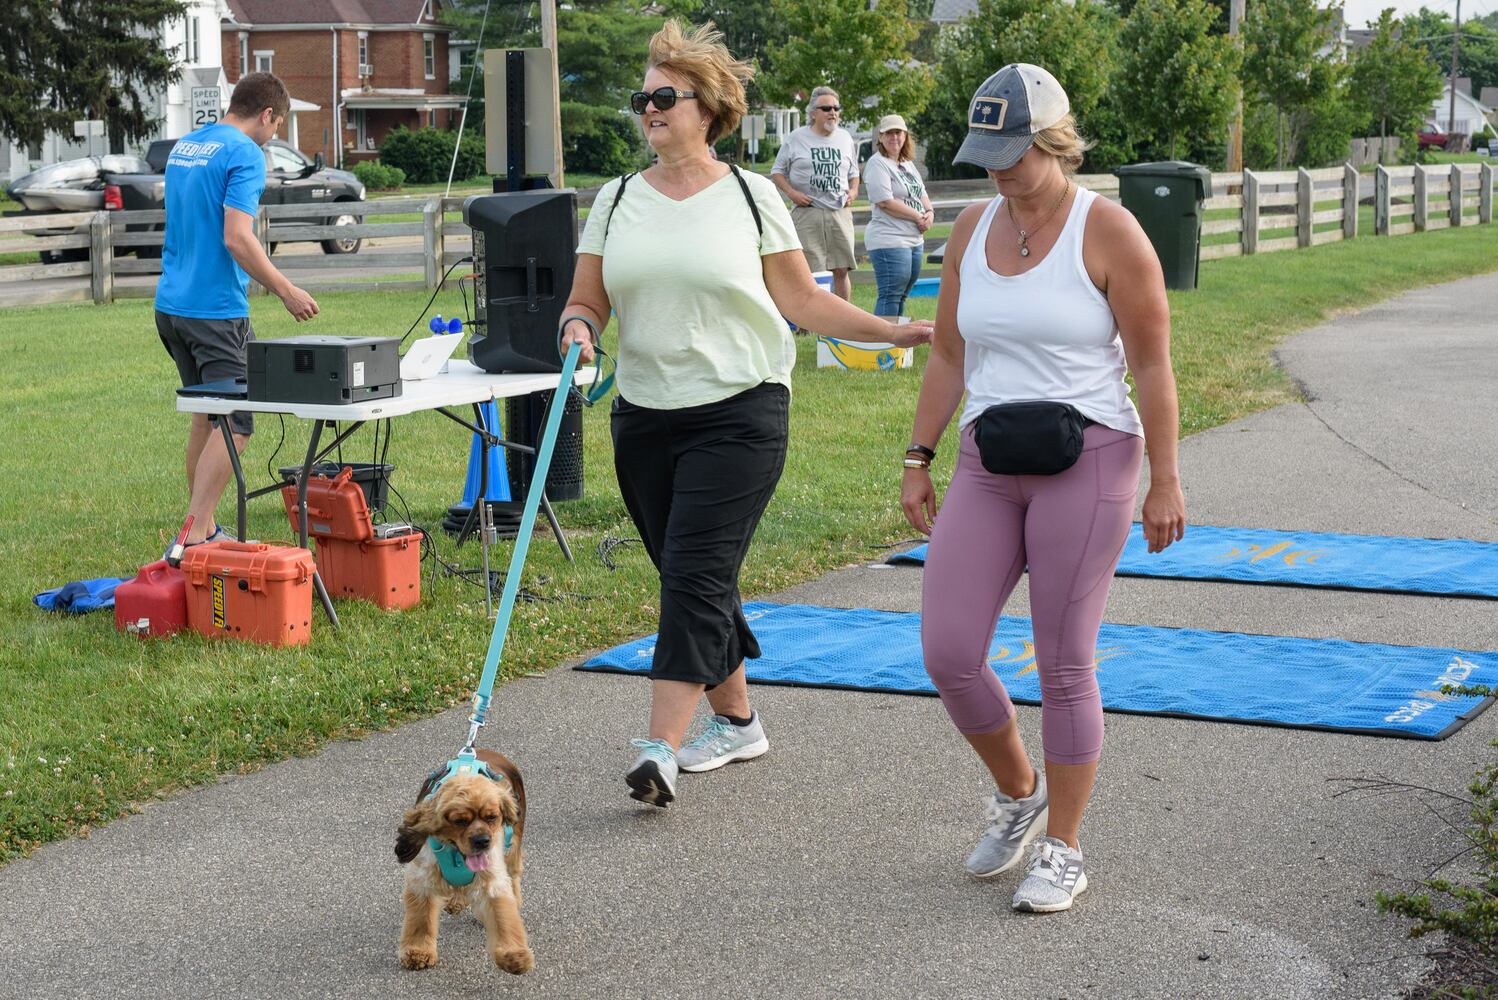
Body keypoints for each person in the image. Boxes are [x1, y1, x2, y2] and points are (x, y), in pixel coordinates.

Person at [560, 21, 932, 809]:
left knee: (692, 575)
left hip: (741, 411)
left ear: (708, 107)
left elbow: (801, 299)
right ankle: (738, 720)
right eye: (643, 99)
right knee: (693, 574)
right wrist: (579, 332)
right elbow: (588, 297)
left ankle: (659, 748)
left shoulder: (751, 195)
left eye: (665, 96)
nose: (649, 110)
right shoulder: (617, 198)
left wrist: (892, 329)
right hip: (644, 414)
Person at [899, 64, 1186, 912]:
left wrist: (1165, 478)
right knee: (949, 653)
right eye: (985, 154)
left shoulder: (1111, 232)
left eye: (1014, 153)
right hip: (991, 457)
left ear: (1055, 143)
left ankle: (1063, 847)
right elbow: (950, 355)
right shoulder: (969, 229)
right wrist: (920, 456)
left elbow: (1154, 363)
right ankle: (1020, 791)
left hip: (1091, 455)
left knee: (1063, 663)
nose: (998, 170)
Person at [154, 72, 319, 547]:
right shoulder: (245, 152)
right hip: (213, 310)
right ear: (267, 115)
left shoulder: (187, 145)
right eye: (278, 125)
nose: (274, 137)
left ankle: (202, 529)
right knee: (237, 423)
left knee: (206, 416)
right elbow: (236, 237)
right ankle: (194, 533)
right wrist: (286, 290)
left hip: (172, 306)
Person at [770, 86, 859, 303]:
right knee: (811, 270)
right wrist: (792, 194)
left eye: (836, 108)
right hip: (808, 212)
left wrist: (854, 191)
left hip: (839, 212)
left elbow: (854, 173)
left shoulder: (846, 138)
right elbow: (777, 172)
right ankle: (807, 323)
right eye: (827, 108)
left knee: (841, 269)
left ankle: (843, 318)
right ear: (813, 112)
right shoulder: (796, 138)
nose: (833, 112)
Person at [861, 114, 935, 319]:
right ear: (881, 137)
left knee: (902, 296)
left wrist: (929, 213)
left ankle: (896, 344)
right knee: (890, 295)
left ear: (906, 136)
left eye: (899, 132)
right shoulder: (877, 164)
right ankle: (882, 343)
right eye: (890, 133)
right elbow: (885, 201)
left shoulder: (908, 164)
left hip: (914, 238)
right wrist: (919, 216)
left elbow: (922, 194)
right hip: (890, 238)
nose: (895, 137)